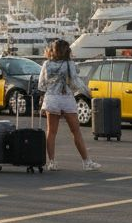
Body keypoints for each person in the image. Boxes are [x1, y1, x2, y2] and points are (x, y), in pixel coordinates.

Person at [39, 39, 102, 172]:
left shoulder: (46, 64)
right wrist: (88, 93)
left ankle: (51, 162)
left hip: (51, 98)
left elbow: (41, 84)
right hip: (66, 97)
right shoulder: (69, 64)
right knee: (76, 131)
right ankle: (86, 162)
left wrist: (48, 92)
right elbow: (75, 81)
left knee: (51, 132)